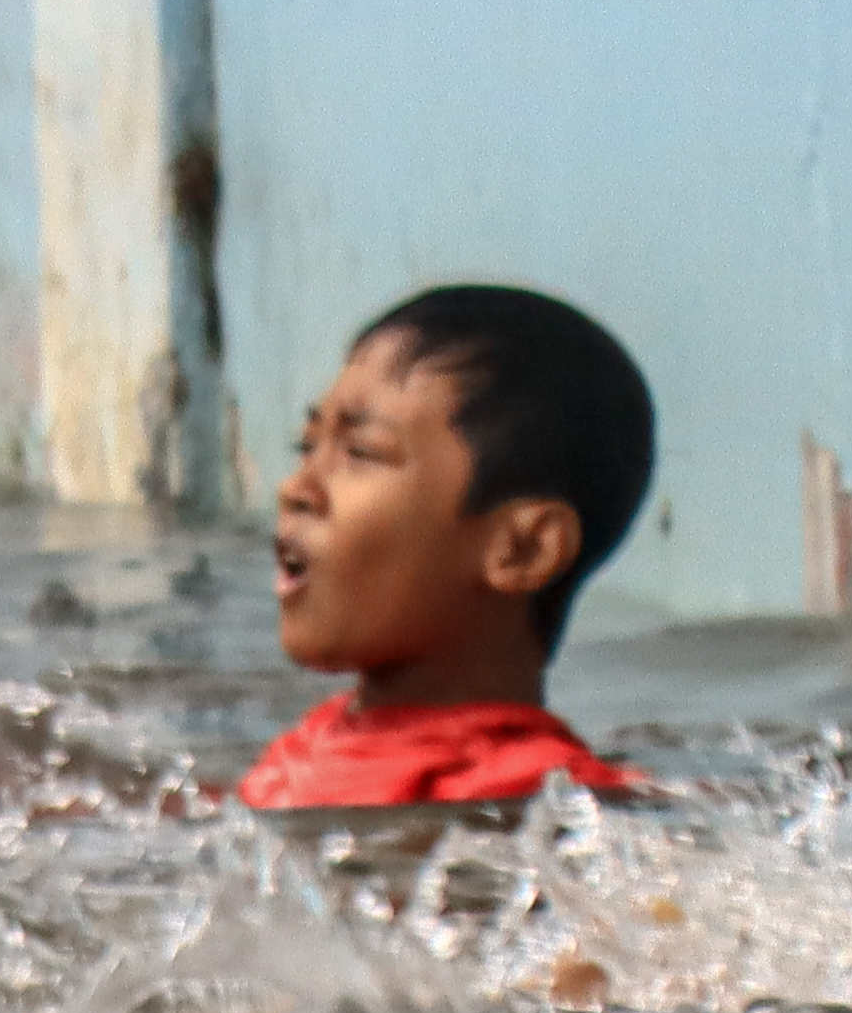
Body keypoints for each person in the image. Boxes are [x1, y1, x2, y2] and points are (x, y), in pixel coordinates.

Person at [237, 284, 653, 811]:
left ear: (523, 549)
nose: (295, 488)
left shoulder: (542, 803)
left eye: (360, 452)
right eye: (307, 446)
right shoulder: (307, 749)